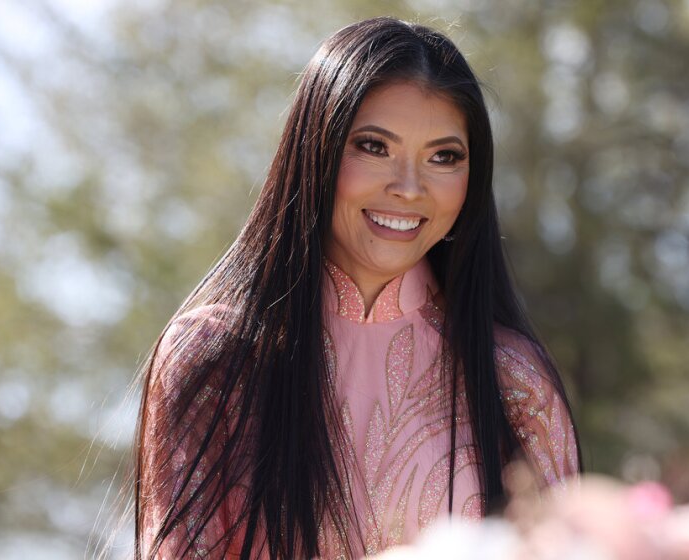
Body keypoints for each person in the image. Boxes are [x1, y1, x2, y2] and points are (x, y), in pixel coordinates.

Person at [135, 16, 580, 559]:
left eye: (444, 157)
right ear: (315, 151)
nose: (409, 188)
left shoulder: (514, 380)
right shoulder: (215, 359)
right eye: (373, 146)